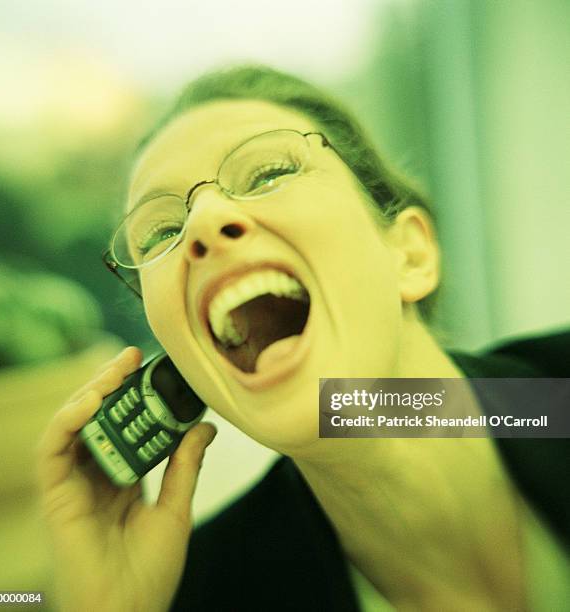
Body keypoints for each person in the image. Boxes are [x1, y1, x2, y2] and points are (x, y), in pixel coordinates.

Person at [36, 65, 569, 611]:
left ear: (409, 254)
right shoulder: (201, 593)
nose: (203, 223)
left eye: (267, 174)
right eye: (162, 233)